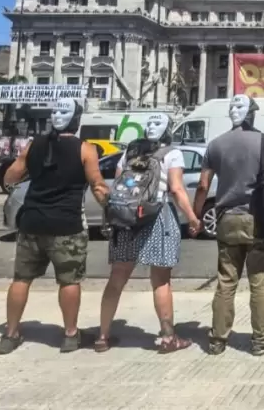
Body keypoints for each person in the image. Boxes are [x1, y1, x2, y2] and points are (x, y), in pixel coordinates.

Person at [0, 98, 110, 355]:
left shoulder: (33, 145)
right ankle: (70, 335)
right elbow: (97, 185)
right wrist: (109, 205)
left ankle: (10, 334)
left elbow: (10, 177)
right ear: (77, 119)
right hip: (67, 226)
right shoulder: (86, 149)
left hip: (31, 222)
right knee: (69, 280)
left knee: (22, 278)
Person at [194, 94, 264, 356]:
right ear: (252, 114)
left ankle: (217, 340)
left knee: (226, 282)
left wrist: (196, 217)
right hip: (259, 220)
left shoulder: (215, 145)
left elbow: (203, 185)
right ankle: (262, 341)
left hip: (227, 219)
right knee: (258, 281)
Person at [95, 113, 201, 353]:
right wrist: (192, 218)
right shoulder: (172, 153)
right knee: (160, 279)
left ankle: (102, 336)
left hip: (125, 219)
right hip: (156, 218)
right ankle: (168, 337)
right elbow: (176, 189)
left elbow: (119, 184)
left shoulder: (130, 153)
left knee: (117, 277)